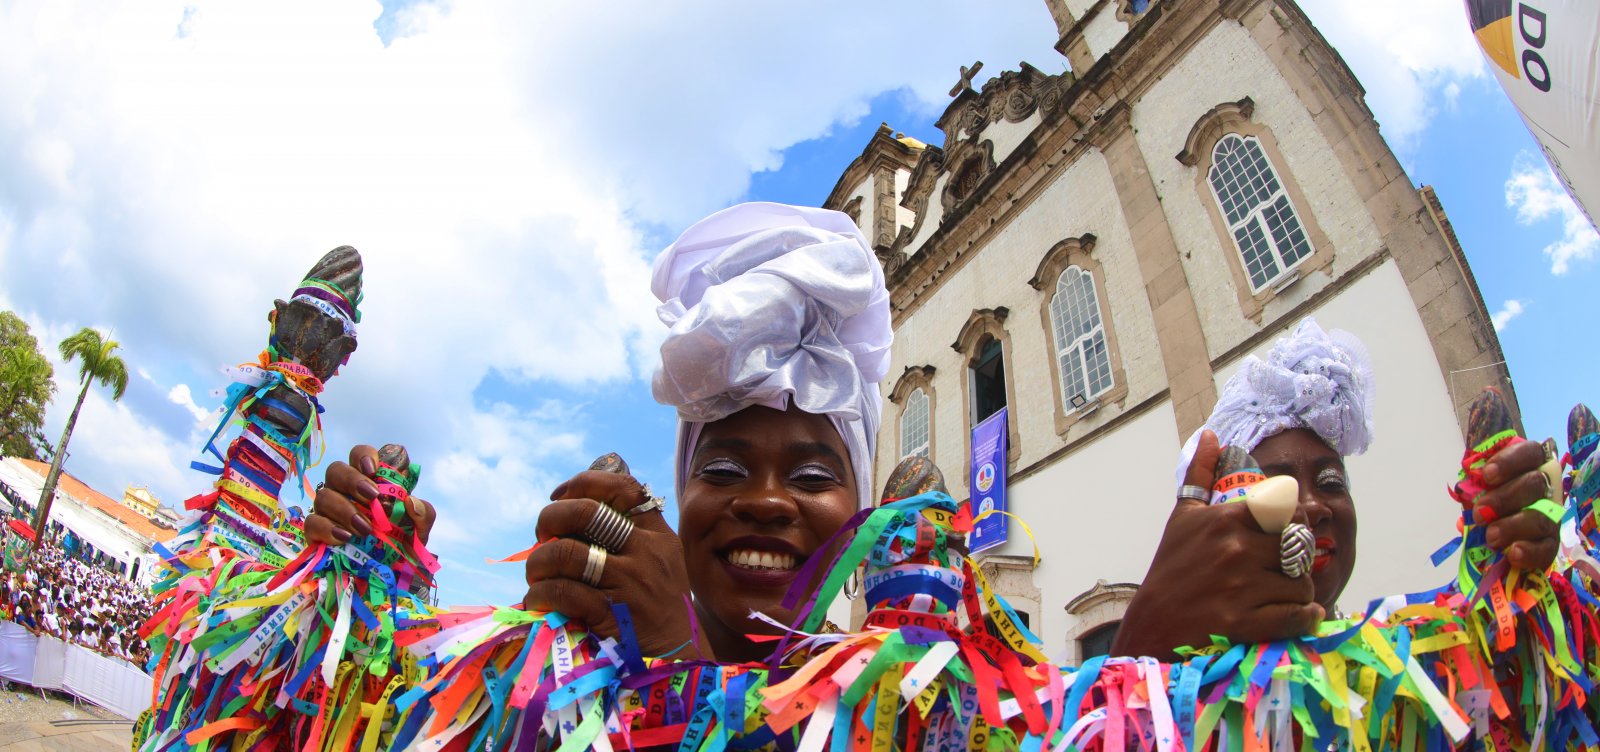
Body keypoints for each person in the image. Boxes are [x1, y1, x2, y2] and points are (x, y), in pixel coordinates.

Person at [307, 202, 891, 662]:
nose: (765, 500)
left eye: (813, 475)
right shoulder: (569, 680)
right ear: (679, 500)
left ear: (860, 512)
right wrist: (365, 586)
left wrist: (676, 665)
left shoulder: (923, 713)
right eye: (721, 470)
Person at [1113, 318, 1556, 657]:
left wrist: (1515, 584)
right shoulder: (1183, 691)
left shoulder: (1405, 662)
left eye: (1330, 482)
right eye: (1274, 484)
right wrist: (1137, 650)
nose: (1310, 505)